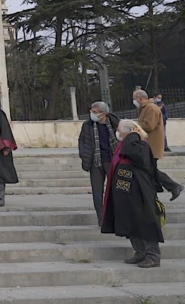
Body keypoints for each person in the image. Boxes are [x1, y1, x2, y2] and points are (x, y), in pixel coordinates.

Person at [101, 120, 164, 268]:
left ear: (130, 132)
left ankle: (152, 256)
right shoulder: (122, 146)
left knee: (145, 224)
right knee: (130, 224)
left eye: (120, 130)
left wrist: (133, 135)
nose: (117, 132)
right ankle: (140, 252)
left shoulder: (139, 146)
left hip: (139, 193)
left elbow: (137, 157)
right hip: (125, 193)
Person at [134, 89, 183, 201]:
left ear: (140, 98)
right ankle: (163, 188)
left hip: (151, 145)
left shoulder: (150, 108)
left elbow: (149, 125)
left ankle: (172, 186)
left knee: (150, 169)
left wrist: (134, 126)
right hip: (149, 145)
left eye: (135, 98)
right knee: (150, 170)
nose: (134, 101)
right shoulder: (146, 108)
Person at [77, 101, 119, 224]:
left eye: (95, 112)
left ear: (104, 113)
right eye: (91, 111)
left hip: (111, 160)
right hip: (95, 161)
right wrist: (84, 155)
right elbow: (82, 141)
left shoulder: (114, 123)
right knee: (97, 192)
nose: (92, 114)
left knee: (114, 190)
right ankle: (101, 218)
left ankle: (115, 216)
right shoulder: (87, 125)